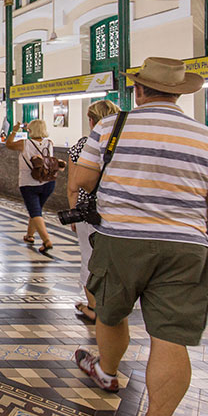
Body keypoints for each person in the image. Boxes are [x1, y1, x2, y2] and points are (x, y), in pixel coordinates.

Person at [70, 57, 208, 416]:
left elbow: (83, 179)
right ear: (180, 94)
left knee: (111, 313)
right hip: (186, 247)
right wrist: (180, 208)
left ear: (139, 89)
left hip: (122, 240)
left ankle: (107, 372)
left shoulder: (111, 127)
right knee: (171, 336)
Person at [67, 99, 119, 323]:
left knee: (89, 257)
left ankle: (93, 306)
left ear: (91, 120)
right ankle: (113, 303)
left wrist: (73, 212)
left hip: (89, 212)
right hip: (120, 212)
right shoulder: (125, 143)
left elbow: (73, 185)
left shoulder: (84, 145)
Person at [5, 119, 57, 254]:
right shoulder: (49, 143)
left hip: (29, 183)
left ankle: (46, 240)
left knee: (35, 212)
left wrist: (15, 130)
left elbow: (8, 144)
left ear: (30, 130)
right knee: (37, 210)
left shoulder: (25, 143)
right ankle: (30, 235)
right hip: (48, 182)